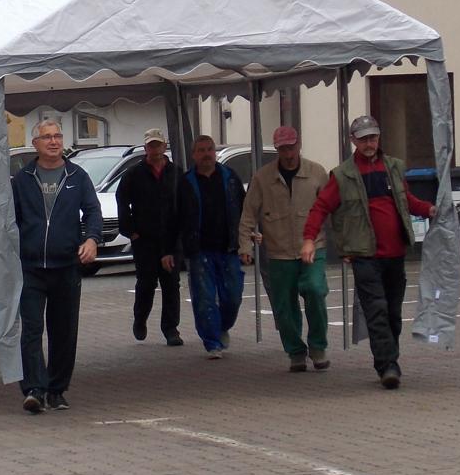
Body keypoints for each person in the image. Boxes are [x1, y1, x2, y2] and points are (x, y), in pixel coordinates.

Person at [301, 115, 436, 389]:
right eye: (363, 139)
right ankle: (387, 365)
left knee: (393, 314)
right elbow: (320, 208)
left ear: (379, 138)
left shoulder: (394, 168)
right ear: (353, 141)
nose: (369, 143)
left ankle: (390, 360)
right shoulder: (342, 175)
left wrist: (429, 209)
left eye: (372, 138)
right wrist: (308, 239)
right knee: (376, 311)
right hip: (364, 256)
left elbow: (406, 200)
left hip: (395, 254)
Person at [12, 116, 102, 414]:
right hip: (30, 267)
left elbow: (92, 211)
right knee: (32, 330)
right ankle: (34, 389)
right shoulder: (22, 179)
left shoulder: (77, 176)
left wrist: (91, 240)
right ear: (35, 144)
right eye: (47, 137)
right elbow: (9, 222)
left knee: (64, 331)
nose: (53, 141)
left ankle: (57, 389)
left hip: (66, 266)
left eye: (57, 136)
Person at [239, 126, 331, 372]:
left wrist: (344, 245)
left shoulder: (317, 173)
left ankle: (318, 346)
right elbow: (249, 213)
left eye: (291, 146)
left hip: (312, 246)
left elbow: (331, 207)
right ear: (277, 149)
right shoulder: (263, 178)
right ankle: (295, 352)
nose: (288, 152)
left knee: (314, 289)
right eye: (282, 148)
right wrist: (245, 245)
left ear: (298, 145)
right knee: (284, 305)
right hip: (278, 250)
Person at [177, 134, 245, 359]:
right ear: (194, 155)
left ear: (215, 152)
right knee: (205, 298)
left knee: (232, 297)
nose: (206, 154)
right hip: (200, 250)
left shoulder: (230, 178)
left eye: (210, 149)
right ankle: (212, 341)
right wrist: (171, 249)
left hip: (229, 248)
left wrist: (248, 240)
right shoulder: (186, 183)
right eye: (201, 150)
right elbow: (173, 217)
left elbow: (245, 210)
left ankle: (222, 326)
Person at [114, 128, 183, 347]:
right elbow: (122, 202)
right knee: (146, 284)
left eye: (158, 145)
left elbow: (184, 204)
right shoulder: (134, 174)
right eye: (151, 146)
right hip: (144, 239)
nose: (155, 149)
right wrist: (130, 231)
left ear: (165, 147)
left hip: (170, 239)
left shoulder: (176, 173)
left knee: (171, 284)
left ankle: (170, 329)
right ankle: (140, 318)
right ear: (146, 149)